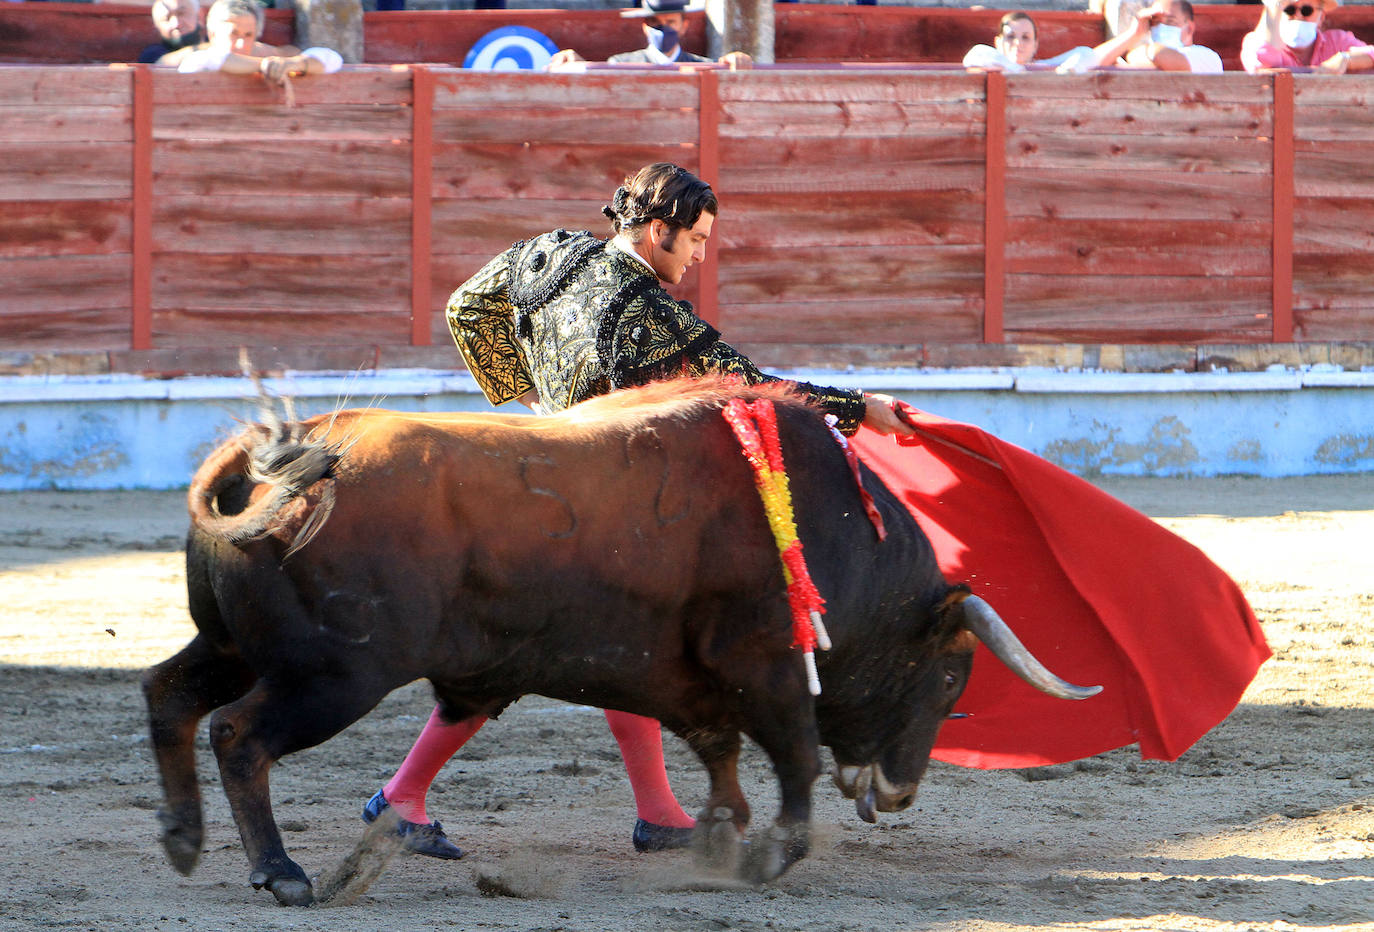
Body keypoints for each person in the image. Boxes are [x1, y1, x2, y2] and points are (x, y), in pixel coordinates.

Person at [361, 161, 918, 860]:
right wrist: (857, 407)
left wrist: (530, 404)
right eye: (696, 240)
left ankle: (649, 811)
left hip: (535, 473)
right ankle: (404, 796)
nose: (701, 254)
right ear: (659, 230)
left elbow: (466, 308)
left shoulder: (552, 253)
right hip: (589, 505)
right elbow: (750, 385)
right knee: (536, 648)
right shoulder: (649, 313)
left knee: (601, 644)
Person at [169, 0, 340, 89]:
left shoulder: (271, 57)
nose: (242, 43)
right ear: (212, 34)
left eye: (248, 35)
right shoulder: (199, 60)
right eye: (233, 34)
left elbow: (333, 59)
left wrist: (293, 63)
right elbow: (209, 60)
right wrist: (267, 65)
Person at [547, 0, 752, 71]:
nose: (663, 29)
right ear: (645, 26)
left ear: (684, 26)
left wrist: (734, 62)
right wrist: (579, 65)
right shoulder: (620, 64)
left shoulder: (706, 66)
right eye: (655, 23)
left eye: (670, 22)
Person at [1088, 0, 1224, 72]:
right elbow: (1089, 62)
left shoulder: (1206, 56)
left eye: (1170, 21)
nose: (1162, 27)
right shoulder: (1144, 57)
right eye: (1156, 22)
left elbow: (1161, 56)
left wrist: (1134, 54)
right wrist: (1134, 34)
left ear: (1189, 28)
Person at [1241, 0, 1374, 73]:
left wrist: (1346, 59)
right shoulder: (1254, 41)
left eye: (1306, 10)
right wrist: (1273, 8)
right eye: (1290, 10)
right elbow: (1260, 61)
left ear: (1321, 17)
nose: (1298, 16)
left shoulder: (1337, 41)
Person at [962, 11, 1099, 74]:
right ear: (998, 42)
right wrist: (1017, 70)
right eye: (1010, 36)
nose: (1018, 43)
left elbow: (1086, 53)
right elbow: (976, 53)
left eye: (1025, 37)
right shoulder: (988, 60)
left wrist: (1067, 70)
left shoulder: (1043, 67)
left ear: (1035, 45)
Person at [138, 0, 203, 65]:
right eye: (166, 18)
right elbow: (161, 63)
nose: (176, 24)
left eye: (181, 13)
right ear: (156, 25)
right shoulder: (152, 54)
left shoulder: (212, 39)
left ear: (200, 17)